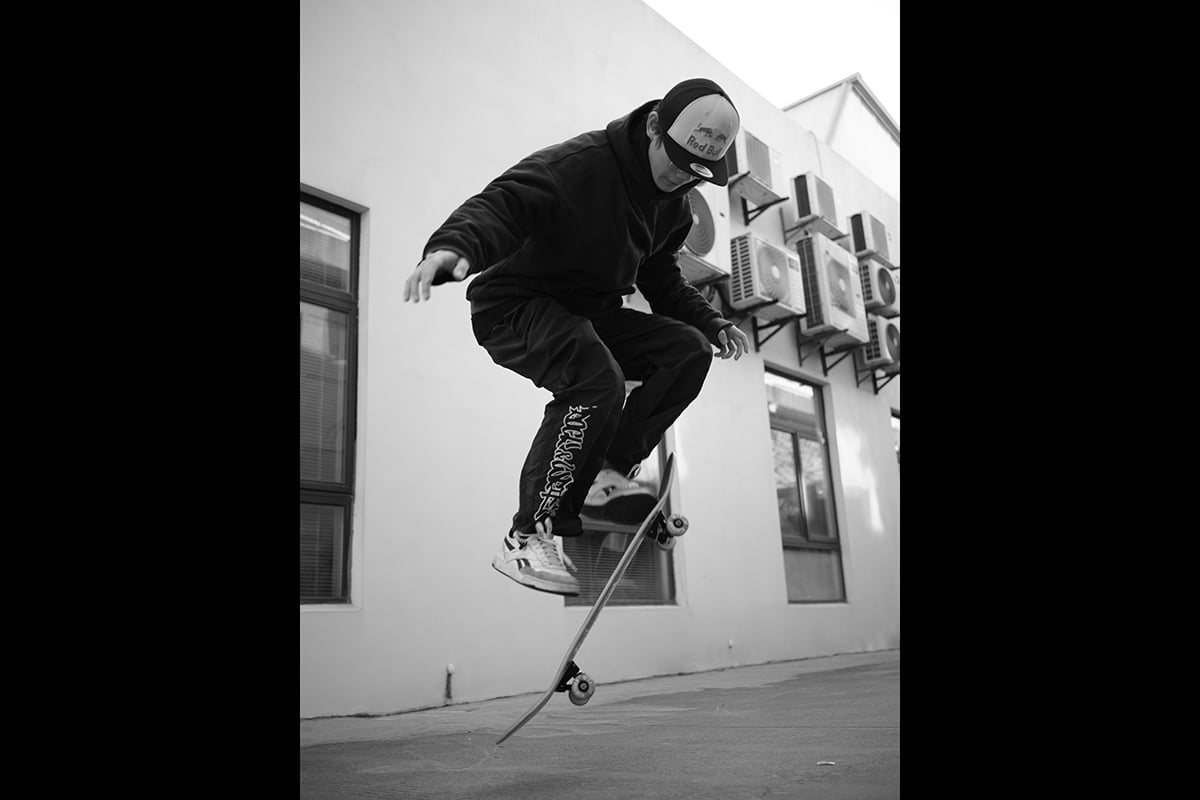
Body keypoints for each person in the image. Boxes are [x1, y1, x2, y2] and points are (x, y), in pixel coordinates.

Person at [404, 78, 751, 596]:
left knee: (686, 352)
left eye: (697, 171)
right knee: (597, 378)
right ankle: (529, 535)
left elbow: (662, 280)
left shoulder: (675, 209)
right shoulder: (581, 165)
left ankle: (607, 470)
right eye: (677, 159)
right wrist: (455, 248)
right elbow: (506, 204)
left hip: (589, 315)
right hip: (514, 305)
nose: (682, 176)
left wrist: (710, 322)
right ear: (654, 127)